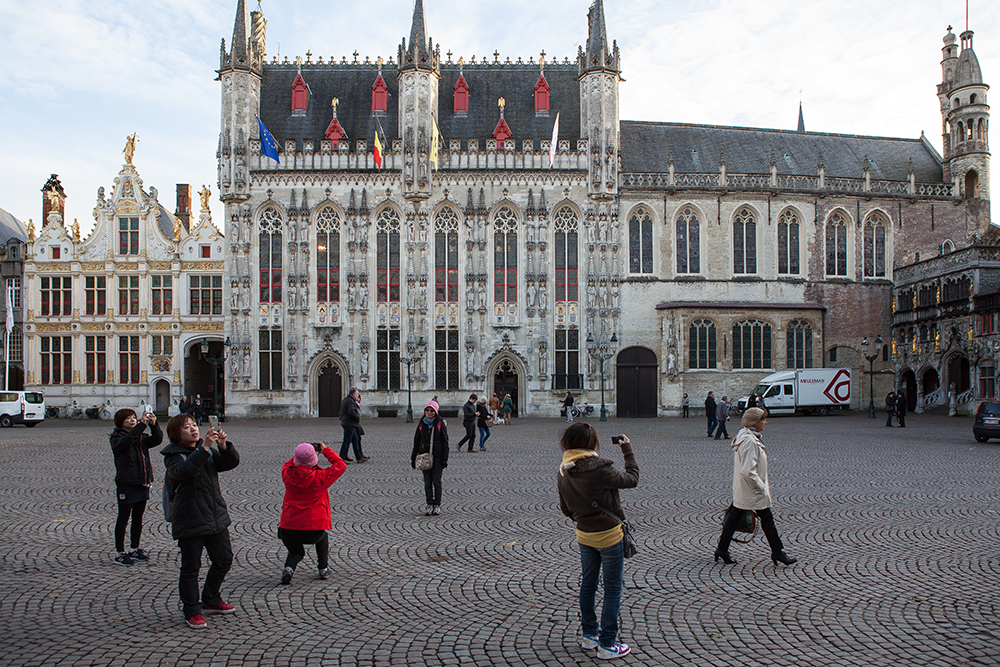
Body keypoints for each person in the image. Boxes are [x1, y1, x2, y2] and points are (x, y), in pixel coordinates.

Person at [557, 423, 639, 659]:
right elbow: (632, 478)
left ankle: (589, 636)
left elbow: (565, 508)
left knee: (588, 584)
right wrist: (628, 450)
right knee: (612, 588)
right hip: (609, 535)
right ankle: (607, 644)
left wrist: (583, 518)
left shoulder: (563, 470)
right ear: (592, 444)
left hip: (584, 534)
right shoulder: (600, 469)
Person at [162, 414, 240, 629]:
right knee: (191, 568)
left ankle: (211, 599)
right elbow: (185, 473)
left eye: (194, 425)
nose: (194, 429)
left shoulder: (206, 450)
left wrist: (224, 446)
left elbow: (228, 464)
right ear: (176, 434)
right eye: (187, 427)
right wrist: (203, 448)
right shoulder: (173, 456)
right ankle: (192, 610)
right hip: (190, 518)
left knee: (224, 559)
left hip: (214, 514)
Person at [714, 408, 797, 567]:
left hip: (745, 489)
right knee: (767, 520)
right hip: (752, 490)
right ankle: (778, 552)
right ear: (754, 422)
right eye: (763, 420)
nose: (765, 422)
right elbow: (748, 470)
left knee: (734, 518)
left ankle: (722, 549)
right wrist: (761, 488)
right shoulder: (750, 441)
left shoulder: (746, 436)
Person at [278, 442, 346, 585]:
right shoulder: (320, 477)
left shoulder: (287, 473)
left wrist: (304, 451)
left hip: (287, 528)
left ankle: (289, 569)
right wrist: (324, 449)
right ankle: (323, 568)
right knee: (322, 537)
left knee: (296, 551)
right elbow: (340, 465)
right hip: (312, 529)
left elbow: (290, 462)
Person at [109, 407, 163, 565]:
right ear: (120, 422)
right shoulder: (117, 437)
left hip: (142, 481)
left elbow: (157, 439)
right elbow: (126, 441)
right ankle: (120, 552)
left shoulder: (140, 437)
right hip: (127, 483)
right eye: (128, 418)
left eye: (134, 417)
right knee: (123, 518)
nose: (132, 420)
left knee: (138, 518)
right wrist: (140, 425)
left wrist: (154, 425)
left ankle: (135, 548)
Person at [411, 399, 449, 515]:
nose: (429, 412)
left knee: (437, 482)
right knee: (427, 482)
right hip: (424, 457)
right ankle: (429, 504)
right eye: (427, 410)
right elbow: (416, 441)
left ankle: (437, 505)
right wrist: (413, 458)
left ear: (435, 412)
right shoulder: (422, 424)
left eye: (431, 411)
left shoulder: (439, 424)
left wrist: (444, 460)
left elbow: (445, 442)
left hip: (437, 457)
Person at [339, 387, 368, 463]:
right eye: (357, 394)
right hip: (349, 424)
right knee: (347, 441)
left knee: (356, 440)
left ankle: (359, 457)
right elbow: (351, 412)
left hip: (349, 423)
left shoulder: (346, 400)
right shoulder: (350, 401)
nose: (358, 395)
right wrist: (357, 417)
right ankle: (342, 457)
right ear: (354, 394)